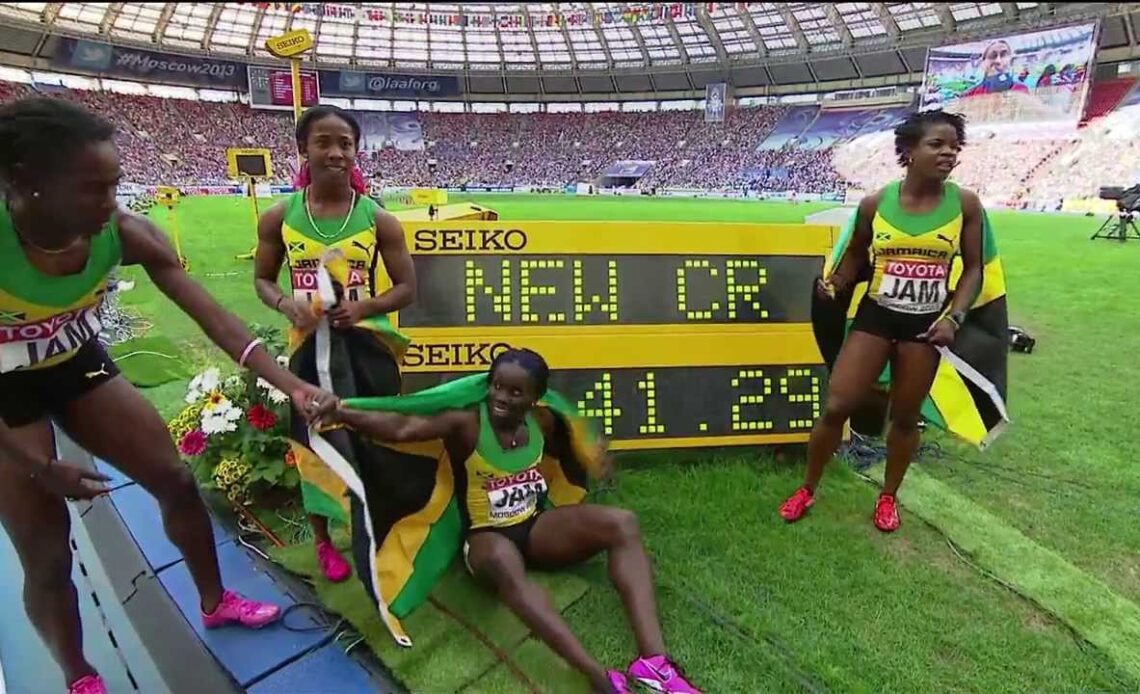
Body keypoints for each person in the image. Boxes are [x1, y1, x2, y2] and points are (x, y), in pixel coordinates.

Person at [0, 97, 338, 694]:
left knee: (176, 480)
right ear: (26, 184)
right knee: (46, 553)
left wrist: (294, 386)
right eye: (92, 189)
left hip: (73, 360)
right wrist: (38, 464)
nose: (112, 204)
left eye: (115, 185)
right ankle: (79, 675)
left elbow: (216, 320)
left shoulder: (123, 231)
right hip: (5, 393)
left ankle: (214, 600)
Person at [315, 348, 702, 694]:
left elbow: (570, 441)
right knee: (502, 560)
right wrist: (342, 412)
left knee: (623, 523)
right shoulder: (466, 423)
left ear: (534, 398)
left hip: (535, 528)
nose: (501, 398)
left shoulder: (542, 423)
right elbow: (402, 429)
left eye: (515, 392)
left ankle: (654, 664)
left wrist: (592, 454)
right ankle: (595, 674)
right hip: (486, 541)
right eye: (497, 387)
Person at [779, 110, 984, 532]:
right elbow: (856, 256)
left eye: (954, 146)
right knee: (837, 405)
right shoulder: (876, 204)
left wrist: (956, 318)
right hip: (876, 318)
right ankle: (807, 487)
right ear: (908, 151)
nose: (949, 153)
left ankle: (888, 497)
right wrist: (834, 285)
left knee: (906, 418)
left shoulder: (965, 204)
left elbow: (975, 269)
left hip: (925, 327)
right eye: (937, 144)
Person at [254, 105, 416, 585]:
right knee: (314, 440)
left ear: (356, 151)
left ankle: (382, 526)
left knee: (377, 433)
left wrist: (364, 309)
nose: (335, 152)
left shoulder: (378, 219)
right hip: (309, 352)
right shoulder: (280, 217)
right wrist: (286, 303)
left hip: (368, 349)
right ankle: (324, 541)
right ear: (304, 149)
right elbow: (262, 281)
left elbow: (406, 288)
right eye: (324, 142)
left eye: (345, 143)